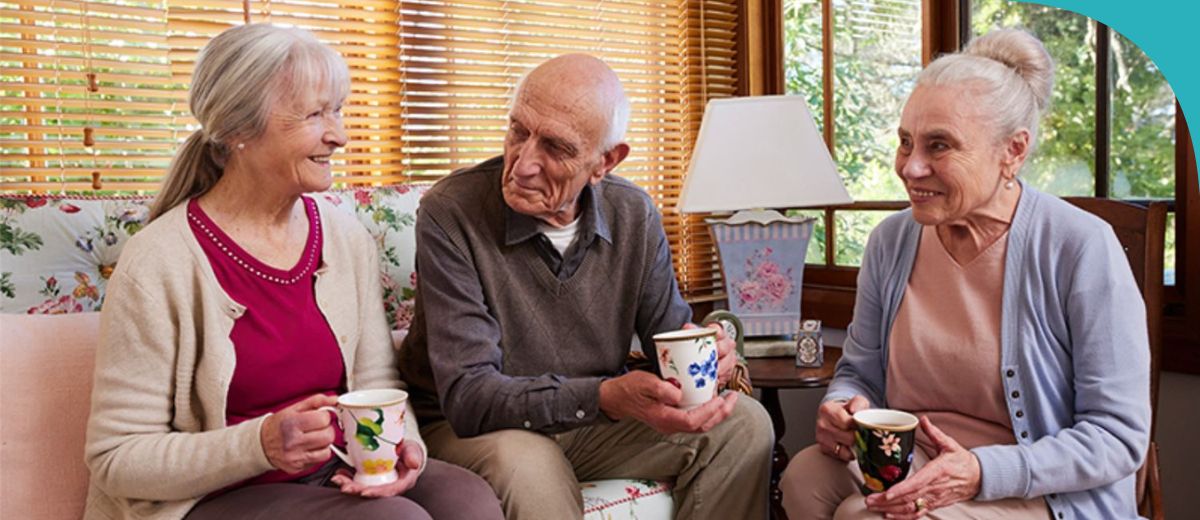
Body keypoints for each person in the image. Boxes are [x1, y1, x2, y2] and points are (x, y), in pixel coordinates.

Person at [83, 24, 502, 520]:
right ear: (239, 129)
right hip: (211, 497)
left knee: (468, 501)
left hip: (333, 471)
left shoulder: (345, 239)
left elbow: (374, 382)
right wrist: (259, 444)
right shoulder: (159, 260)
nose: (340, 135)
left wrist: (400, 448)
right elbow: (116, 457)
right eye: (314, 114)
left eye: (338, 110)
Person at [779, 28, 1151, 519]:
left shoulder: (1081, 245)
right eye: (906, 143)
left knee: (860, 515)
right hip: (918, 462)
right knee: (803, 476)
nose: (911, 168)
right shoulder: (890, 242)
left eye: (939, 146)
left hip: (1039, 486)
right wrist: (845, 405)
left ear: (1012, 152)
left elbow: (1118, 437)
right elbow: (859, 371)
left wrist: (979, 469)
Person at [395, 53, 774, 520]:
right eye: (518, 131)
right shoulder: (450, 212)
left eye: (555, 147)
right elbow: (470, 396)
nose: (523, 164)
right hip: (473, 429)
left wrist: (708, 354)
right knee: (531, 464)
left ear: (606, 161)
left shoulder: (633, 214)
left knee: (745, 426)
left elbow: (669, 338)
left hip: (592, 423)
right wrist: (605, 397)